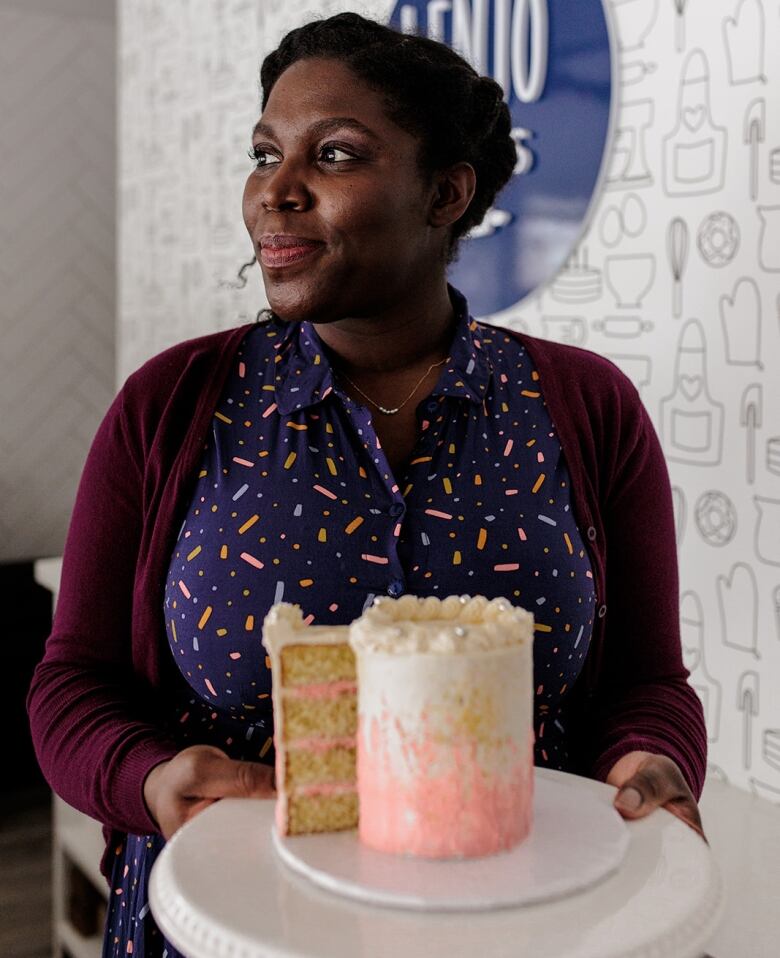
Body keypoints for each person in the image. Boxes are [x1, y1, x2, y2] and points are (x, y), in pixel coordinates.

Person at [28, 12, 707, 957]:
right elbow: (73, 685)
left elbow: (647, 683)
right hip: (230, 930)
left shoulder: (584, 407)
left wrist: (651, 760)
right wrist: (147, 777)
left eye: (335, 154)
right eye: (265, 153)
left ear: (446, 193)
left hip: (526, 926)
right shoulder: (173, 406)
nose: (277, 191)